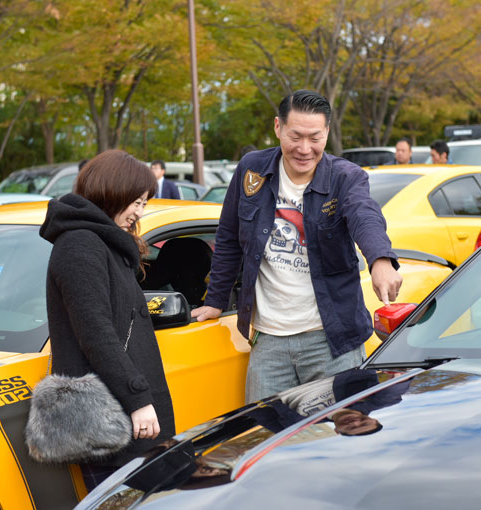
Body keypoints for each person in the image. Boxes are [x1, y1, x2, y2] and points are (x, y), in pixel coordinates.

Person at [191, 90, 402, 403]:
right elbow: (228, 236)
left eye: (315, 138)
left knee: (336, 440)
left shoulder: (346, 177)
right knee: (263, 435)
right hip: (269, 341)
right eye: (295, 136)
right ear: (278, 127)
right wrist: (216, 300)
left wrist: (380, 259)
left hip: (332, 342)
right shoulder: (252, 170)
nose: (305, 149)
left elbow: (364, 215)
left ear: (327, 133)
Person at [39, 149, 175, 491]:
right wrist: (138, 400)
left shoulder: (101, 241)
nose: (139, 212)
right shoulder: (80, 244)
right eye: (137, 201)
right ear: (113, 191)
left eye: (144, 203)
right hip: (111, 416)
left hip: (122, 412)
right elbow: (96, 333)